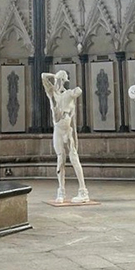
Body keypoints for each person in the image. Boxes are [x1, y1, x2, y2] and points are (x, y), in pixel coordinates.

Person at [41, 70, 89, 203]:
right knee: (60, 159)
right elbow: (43, 76)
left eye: (61, 80)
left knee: (74, 157)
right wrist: (55, 76)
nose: (58, 82)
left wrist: (69, 87)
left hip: (67, 130)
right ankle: (61, 191)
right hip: (58, 129)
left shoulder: (68, 94)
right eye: (58, 79)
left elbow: (78, 91)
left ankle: (83, 190)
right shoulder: (52, 93)